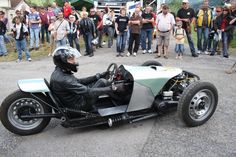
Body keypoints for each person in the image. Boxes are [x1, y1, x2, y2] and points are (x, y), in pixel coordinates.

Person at [50, 46, 115, 111]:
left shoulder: (61, 71)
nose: (75, 61)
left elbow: (79, 81)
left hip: (74, 100)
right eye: (71, 59)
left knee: (97, 80)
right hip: (79, 106)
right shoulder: (64, 79)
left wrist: (97, 76)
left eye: (73, 58)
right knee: (102, 82)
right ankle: (119, 99)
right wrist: (113, 88)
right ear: (63, 62)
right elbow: (88, 92)